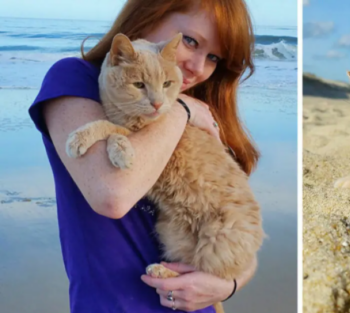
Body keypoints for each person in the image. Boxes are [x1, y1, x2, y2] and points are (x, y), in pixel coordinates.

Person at [27, 0, 260, 312]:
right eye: (190, 41)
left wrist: (227, 285)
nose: (198, 67)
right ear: (149, 13)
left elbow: (243, 233)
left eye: (214, 57)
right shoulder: (73, 79)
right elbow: (112, 194)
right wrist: (181, 108)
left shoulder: (190, 111)